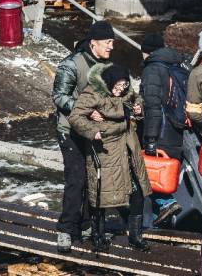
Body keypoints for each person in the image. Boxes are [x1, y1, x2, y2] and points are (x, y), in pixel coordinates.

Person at [69, 63, 152, 253]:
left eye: (123, 86)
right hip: (105, 150)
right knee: (102, 196)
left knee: (138, 192)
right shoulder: (93, 94)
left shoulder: (126, 93)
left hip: (128, 148)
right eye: (117, 86)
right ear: (108, 82)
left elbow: (136, 98)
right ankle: (98, 235)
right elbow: (75, 117)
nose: (120, 90)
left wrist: (139, 108)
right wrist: (92, 130)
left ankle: (135, 237)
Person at [51, 20, 116, 253]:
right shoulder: (71, 64)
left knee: (94, 179)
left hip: (94, 132)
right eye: (107, 42)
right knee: (76, 180)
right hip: (70, 131)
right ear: (93, 43)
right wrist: (87, 110)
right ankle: (66, 229)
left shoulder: (107, 65)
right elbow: (59, 97)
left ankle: (88, 225)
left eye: (112, 42)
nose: (111, 47)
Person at [138, 32, 186, 225]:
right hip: (177, 131)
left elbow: (153, 107)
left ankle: (165, 205)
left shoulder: (152, 70)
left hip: (160, 132)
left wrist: (149, 138)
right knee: (166, 179)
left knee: (146, 174)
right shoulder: (178, 66)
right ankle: (167, 223)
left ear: (146, 52)